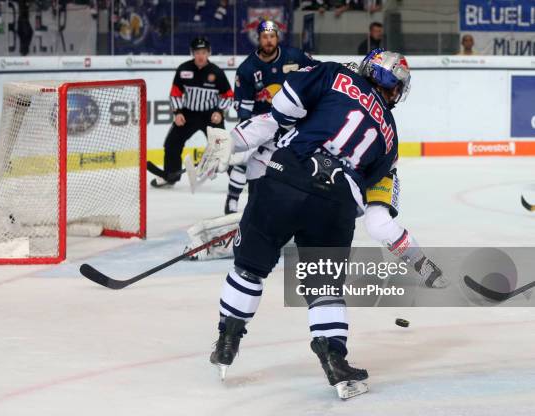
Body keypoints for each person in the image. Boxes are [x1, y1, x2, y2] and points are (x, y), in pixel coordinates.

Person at [207, 49, 412, 399]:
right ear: (394, 90)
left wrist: (242, 140)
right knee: (325, 285)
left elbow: (283, 109)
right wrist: (414, 254)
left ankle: (227, 341)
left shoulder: (333, 74)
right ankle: (335, 360)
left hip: (286, 177)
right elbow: (376, 212)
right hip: (337, 204)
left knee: (249, 269)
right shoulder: (391, 138)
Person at [225, 20, 318, 213]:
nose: (268, 41)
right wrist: (250, 130)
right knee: (245, 161)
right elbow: (243, 105)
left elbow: (317, 71)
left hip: (291, 121)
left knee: (290, 164)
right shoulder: (247, 68)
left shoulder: (293, 56)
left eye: (272, 36)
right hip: (261, 121)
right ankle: (232, 203)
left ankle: (292, 208)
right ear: (258, 39)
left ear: (277, 38)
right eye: (265, 37)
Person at [150, 36, 234, 188]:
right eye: (197, 52)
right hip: (188, 114)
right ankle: (170, 176)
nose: (200, 56)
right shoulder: (183, 70)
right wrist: (178, 113)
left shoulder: (217, 73)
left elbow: (228, 95)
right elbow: (175, 93)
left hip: (211, 116)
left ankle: (237, 178)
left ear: (209, 53)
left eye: (203, 52)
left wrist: (220, 112)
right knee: (172, 143)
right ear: (192, 53)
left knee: (223, 146)